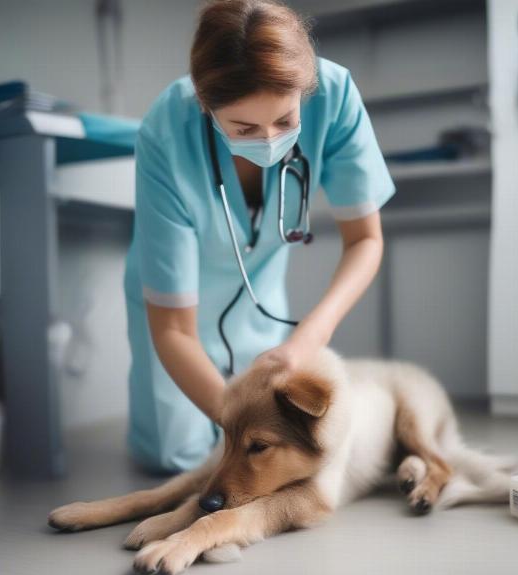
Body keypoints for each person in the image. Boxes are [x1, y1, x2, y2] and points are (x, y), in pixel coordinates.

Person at [123, 0, 396, 475]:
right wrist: (237, 429)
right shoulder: (166, 131)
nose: (269, 139)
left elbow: (365, 241)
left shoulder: (332, 95)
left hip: (258, 286)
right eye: (244, 128)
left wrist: (306, 342)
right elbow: (172, 330)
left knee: (272, 433)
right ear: (206, 106)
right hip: (173, 303)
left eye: (286, 123)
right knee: (177, 459)